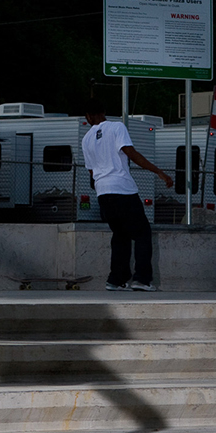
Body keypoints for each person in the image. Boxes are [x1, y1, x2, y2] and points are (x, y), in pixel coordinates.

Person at [81, 99, 173, 291]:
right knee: (142, 233)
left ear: (88, 117)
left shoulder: (86, 139)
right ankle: (142, 279)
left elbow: (91, 171)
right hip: (122, 189)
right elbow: (130, 152)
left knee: (120, 235)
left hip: (103, 192)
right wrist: (158, 171)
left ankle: (116, 279)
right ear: (103, 111)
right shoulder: (116, 127)